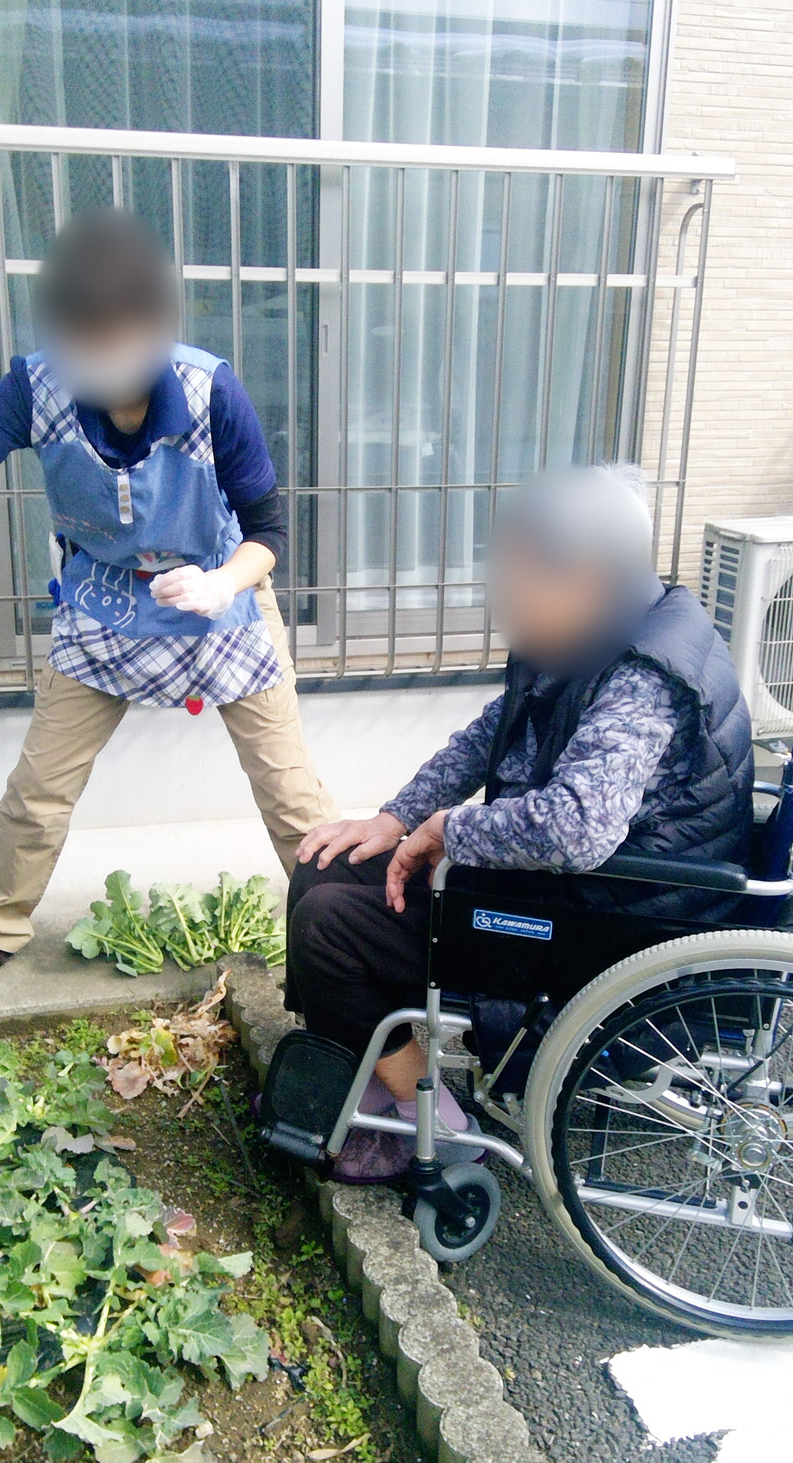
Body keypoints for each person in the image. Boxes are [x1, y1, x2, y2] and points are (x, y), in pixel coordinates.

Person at [0, 207, 336, 1001]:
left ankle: (347, 932)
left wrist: (224, 583)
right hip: (102, 605)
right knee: (40, 785)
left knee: (291, 792)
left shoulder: (210, 390)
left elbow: (269, 531)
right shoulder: (36, 386)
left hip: (220, 602)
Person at [285, 463, 754, 1180]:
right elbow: (493, 733)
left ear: (588, 575)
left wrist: (449, 830)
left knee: (332, 928)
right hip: (579, 885)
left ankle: (439, 1128)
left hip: (619, 917)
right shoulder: (592, 630)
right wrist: (395, 817)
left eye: (519, 573)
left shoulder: (644, 675)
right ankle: (362, 1082)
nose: (503, 593)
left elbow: (577, 827)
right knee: (325, 864)